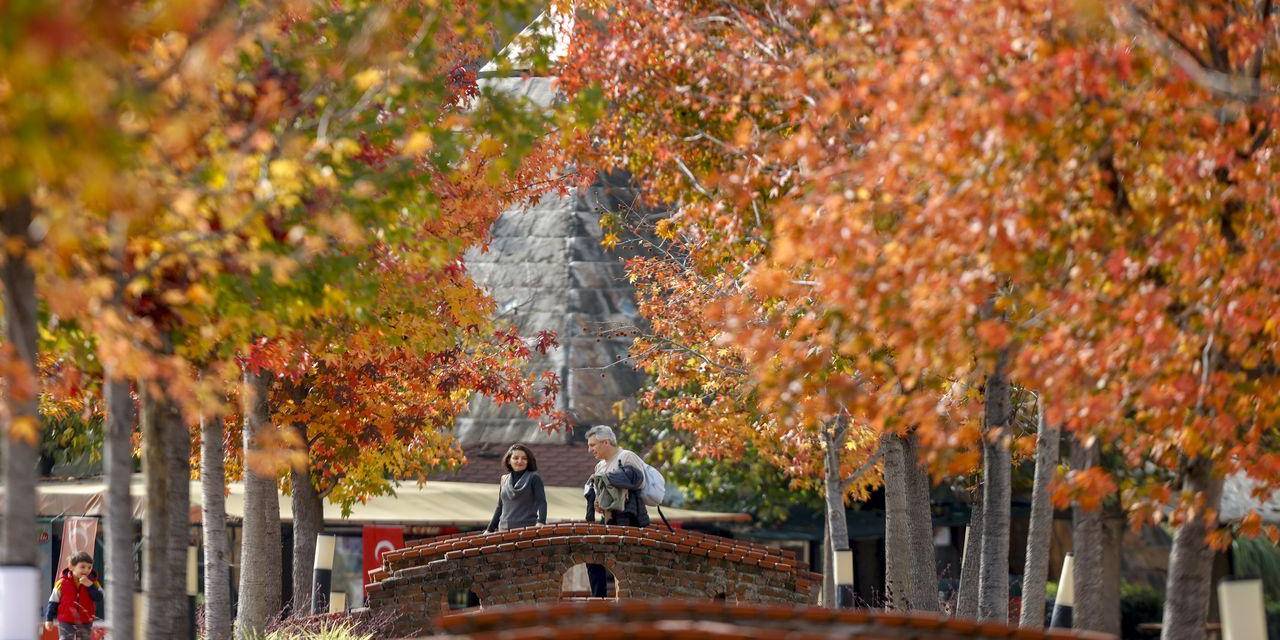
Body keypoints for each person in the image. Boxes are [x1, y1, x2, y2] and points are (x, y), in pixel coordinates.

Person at [582, 425, 650, 596]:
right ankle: (599, 599)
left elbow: (636, 480)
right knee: (591, 555)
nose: (590, 450)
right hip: (608, 520)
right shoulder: (599, 466)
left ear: (606, 442)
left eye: (593, 445)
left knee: (626, 564)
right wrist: (598, 503)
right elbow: (603, 494)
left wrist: (604, 478)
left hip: (630, 520)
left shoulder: (626, 456)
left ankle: (629, 601)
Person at [485, 444, 548, 532]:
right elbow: (500, 506)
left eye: (524, 458)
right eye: (515, 458)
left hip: (526, 530)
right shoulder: (504, 479)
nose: (520, 461)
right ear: (508, 461)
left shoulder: (534, 478)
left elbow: (541, 502)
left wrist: (541, 522)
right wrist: (489, 530)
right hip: (503, 530)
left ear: (528, 461)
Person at [43, 551, 103, 640]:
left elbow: (99, 597)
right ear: (71, 567)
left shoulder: (93, 582)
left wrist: (90, 586)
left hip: (85, 621)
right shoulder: (62, 582)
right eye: (82, 567)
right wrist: (49, 619)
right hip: (66, 620)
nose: (86, 570)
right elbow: (53, 601)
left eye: (89, 567)